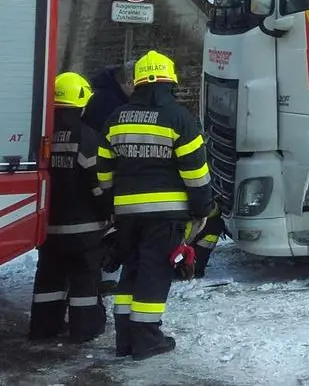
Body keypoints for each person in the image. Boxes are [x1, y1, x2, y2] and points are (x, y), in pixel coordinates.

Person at [96, 50, 213, 360]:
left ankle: (125, 340)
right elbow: (195, 173)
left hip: (127, 215)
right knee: (154, 273)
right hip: (165, 215)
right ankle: (147, 340)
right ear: (168, 80)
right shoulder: (179, 119)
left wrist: (110, 204)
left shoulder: (115, 119)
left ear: (137, 82)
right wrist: (203, 208)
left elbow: (103, 169)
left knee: (131, 270)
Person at [28, 72, 110, 343]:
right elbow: (98, 185)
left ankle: (43, 328)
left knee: (48, 279)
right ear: (82, 102)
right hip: (84, 229)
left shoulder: (39, 135)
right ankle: (85, 329)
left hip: (46, 226)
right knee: (85, 279)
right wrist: (107, 212)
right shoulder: (88, 138)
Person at [82, 60, 136, 295]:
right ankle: (93, 279)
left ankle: (97, 277)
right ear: (128, 82)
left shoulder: (110, 95)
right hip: (96, 173)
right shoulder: (108, 103)